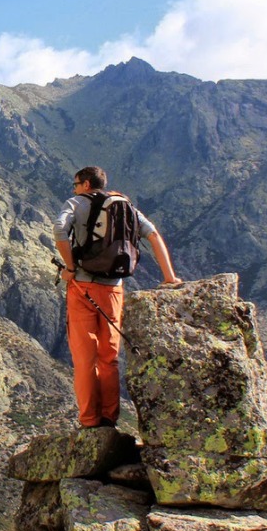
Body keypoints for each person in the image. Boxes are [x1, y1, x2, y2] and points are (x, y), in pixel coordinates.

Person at [54, 166, 182, 428]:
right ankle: (110, 418)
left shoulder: (76, 203)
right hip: (114, 290)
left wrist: (69, 268)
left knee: (84, 359)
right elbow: (153, 235)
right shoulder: (125, 205)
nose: (74, 188)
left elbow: (58, 230)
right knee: (109, 357)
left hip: (82, 287)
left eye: (76, 184)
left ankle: (90, 421)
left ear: (87, 184)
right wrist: (169, 277)